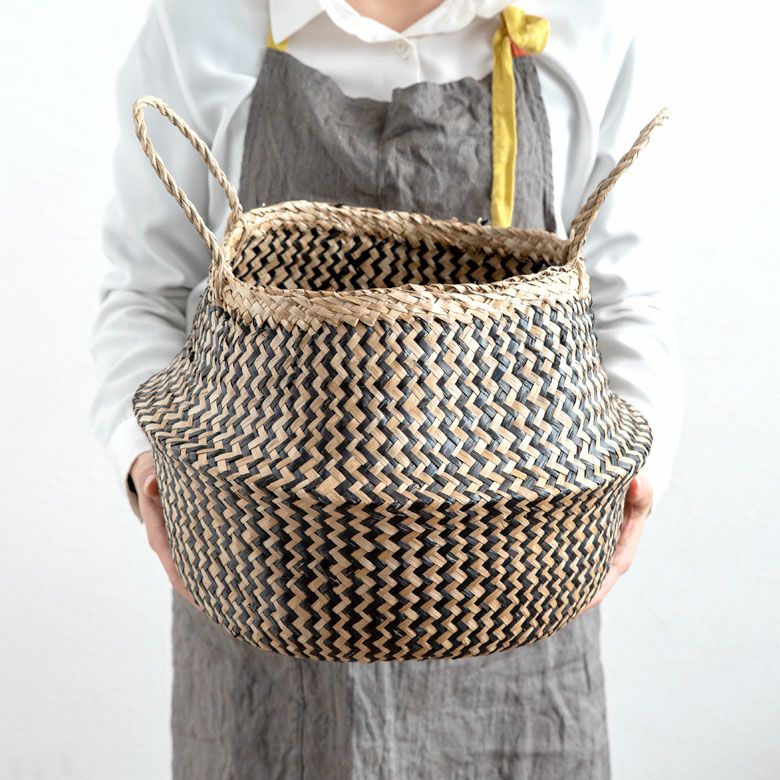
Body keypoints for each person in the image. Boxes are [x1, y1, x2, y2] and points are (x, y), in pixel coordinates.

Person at [89, 0, 684, 777]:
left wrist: (635, 476)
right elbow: (145, 293)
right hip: (262, 587)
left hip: (516, 592)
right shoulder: (200, 24)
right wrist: (149, 466)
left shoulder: (581, 23)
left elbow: (626, 303)